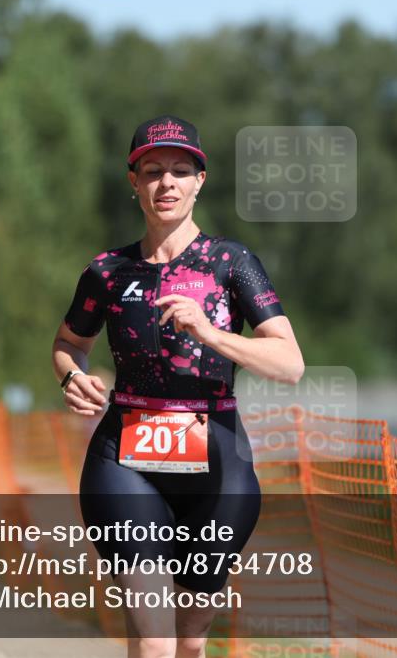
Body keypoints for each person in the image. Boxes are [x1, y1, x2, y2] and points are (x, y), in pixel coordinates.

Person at [53, 115, 304, 658]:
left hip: (217, 467)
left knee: (190, 644)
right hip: (125, 460)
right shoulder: (106, 271)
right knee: (156, 641)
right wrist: (73, 375)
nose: (166, 183)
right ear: (133, 182)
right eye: (152, 171)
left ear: (200, 181)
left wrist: (209, 332)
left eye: (179, 171)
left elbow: (290, 364)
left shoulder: (232, 264)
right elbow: (69, 342)